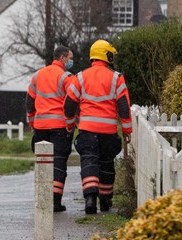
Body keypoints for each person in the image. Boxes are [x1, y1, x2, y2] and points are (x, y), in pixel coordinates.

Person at [64, 40, 132, 214]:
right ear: (107, 55)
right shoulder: (117, 78)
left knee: (89, 163)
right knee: (106, 164)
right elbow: (123, 106)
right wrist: (126, 130)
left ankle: (89, 199)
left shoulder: (80, 76)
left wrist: (70, 124)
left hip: (87, 131)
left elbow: (69, 104)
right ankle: (105, 200)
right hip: (108, 133)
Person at [26, 46, 77, 212]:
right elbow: (72, 101)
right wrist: (71, 123)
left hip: (41, 127)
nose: (71, 61)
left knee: (43, 162)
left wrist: (32, 121)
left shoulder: (38, 75)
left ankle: (42, 198)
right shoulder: (66, 77)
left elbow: (29, 101)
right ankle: (55, 201)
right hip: (60, 127)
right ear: (62, 58)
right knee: (59, 163)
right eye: (70, 58)